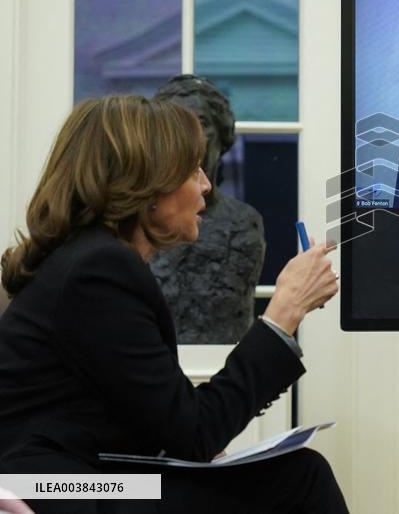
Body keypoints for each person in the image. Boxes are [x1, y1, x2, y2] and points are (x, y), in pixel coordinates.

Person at [0, 96, 348, 514]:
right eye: (192, 170)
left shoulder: (87, 261)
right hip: (59, 489)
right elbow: (195, 431)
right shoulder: (98, 269)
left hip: (80, 478)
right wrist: (283, 312)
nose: (206, 185)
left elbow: (160, 421)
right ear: (147, 185)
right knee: (299, 477)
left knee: (293, 474)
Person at [151, 75, 265, 344]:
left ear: (221, 136)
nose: (189, 138)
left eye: (201, 124)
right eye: (177, 124)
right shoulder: (140, 222)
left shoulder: (243, 223)